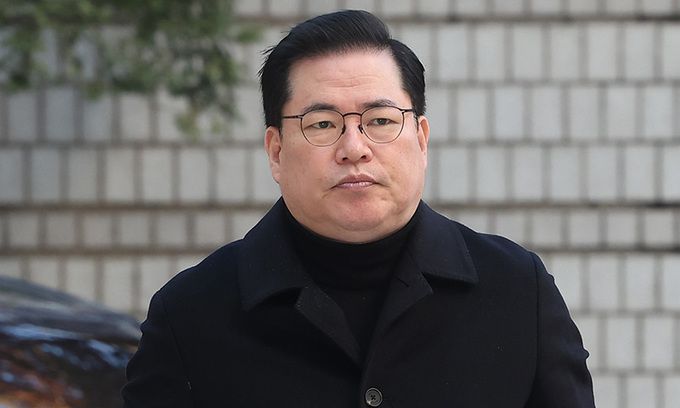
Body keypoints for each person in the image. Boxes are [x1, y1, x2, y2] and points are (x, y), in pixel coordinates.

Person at [122, 10, 594, 407]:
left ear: (421, 139)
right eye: (323, 124)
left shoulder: (517, 290)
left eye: (380, 120)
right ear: (276, 151)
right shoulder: (190, 315)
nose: (354, 147)